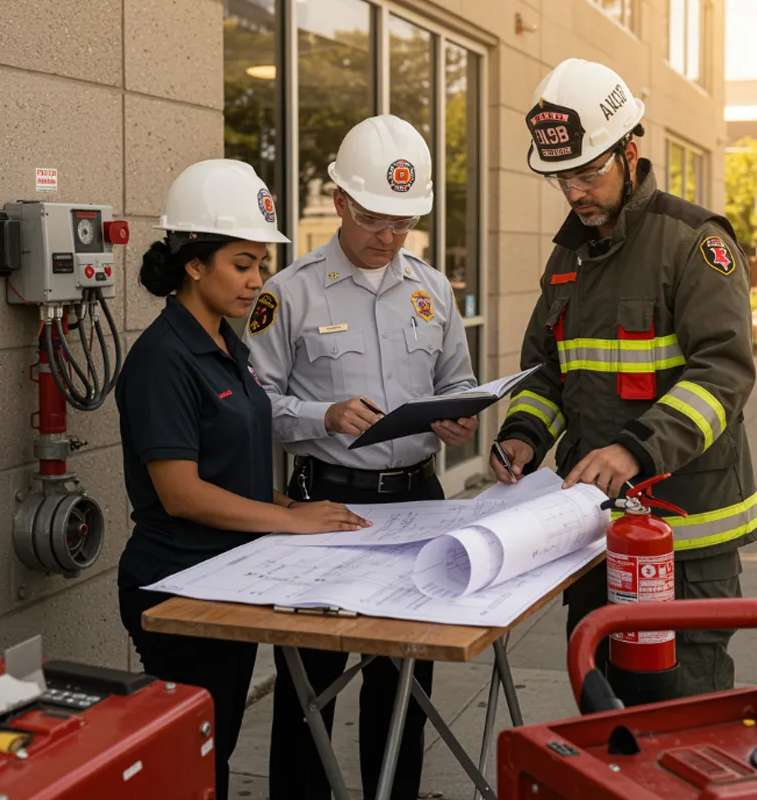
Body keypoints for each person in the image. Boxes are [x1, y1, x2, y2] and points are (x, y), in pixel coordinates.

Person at [490, 58, 756, 697]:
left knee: (675, 717)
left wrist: (635, 447)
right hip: (593, 531)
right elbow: (546, 370)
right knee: (603, 712)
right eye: (562, 178)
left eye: (587, 172)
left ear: (629, 151)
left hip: (684, 534)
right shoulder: (568, 257)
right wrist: (525, 432)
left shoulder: (693, 242)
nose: (575, 192)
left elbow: (723, 371)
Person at [115, 158, 370, 800]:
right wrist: (290, 519)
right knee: (199, 761)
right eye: (242, 264)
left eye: (261, 264)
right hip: (175, 584)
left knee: (217, 747)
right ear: (193, 264)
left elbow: (236, 468)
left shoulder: (228, 344)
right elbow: (181, 490)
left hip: (226, 576)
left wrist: (303, 509)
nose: (258, 280)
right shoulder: (163, 358)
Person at [245, 114, 478, 800]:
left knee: (404, 675)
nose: (390, 236)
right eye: (377, 218)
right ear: (341, 201)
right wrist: (323, 414)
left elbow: (457, 381)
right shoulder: (287, 292)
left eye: (403, 223)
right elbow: (252, 403)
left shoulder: (432, 289)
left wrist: (460, 413)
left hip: (418, 501)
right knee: (311, 679)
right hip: (326, 504)